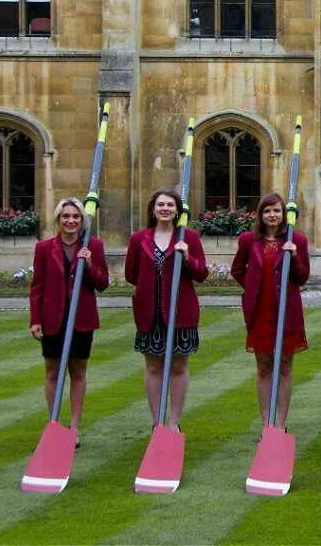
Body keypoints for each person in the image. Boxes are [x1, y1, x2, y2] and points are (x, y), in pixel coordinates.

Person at [29, 197, 110, 447]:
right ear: (58, 219)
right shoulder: (44, 248)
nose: (71, 221)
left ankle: (74, 426)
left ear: (82, 220)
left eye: (76, 216)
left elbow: (103, 283)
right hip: (53, 318)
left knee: (78, 372)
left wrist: (88, 265)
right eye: (66, 216)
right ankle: (53, 422)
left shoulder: (93, 246)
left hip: (81, 319)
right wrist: (35, 319)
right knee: (52, 371)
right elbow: (37, 287)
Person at [124, 189, 208, 431]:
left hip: (180, 311)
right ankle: (157, 421)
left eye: (170, 205)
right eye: (160, 204)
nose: (165, 209)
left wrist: (188, 257)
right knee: (153, 367)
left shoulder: (188, 237)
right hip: (150, 313)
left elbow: (201, 274)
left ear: (177, 210)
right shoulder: (138, 239)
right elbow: (131, 274)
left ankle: (173, 421)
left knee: (179, 366)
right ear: (153, 209)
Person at [230, 193, 310, 431]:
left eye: (276, 210)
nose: (272, 215)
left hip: (287, 308)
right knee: (264, 366)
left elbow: (303, 275)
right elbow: (237, 270)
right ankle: (267, 423)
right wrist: (254, 286)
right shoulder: (248, 240)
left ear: (284, 213)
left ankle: (282, 423)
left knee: (285, 366)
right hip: (260, 310)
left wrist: (294, 255)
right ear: (260, 214)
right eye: (267, 211)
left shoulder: (297, 240)